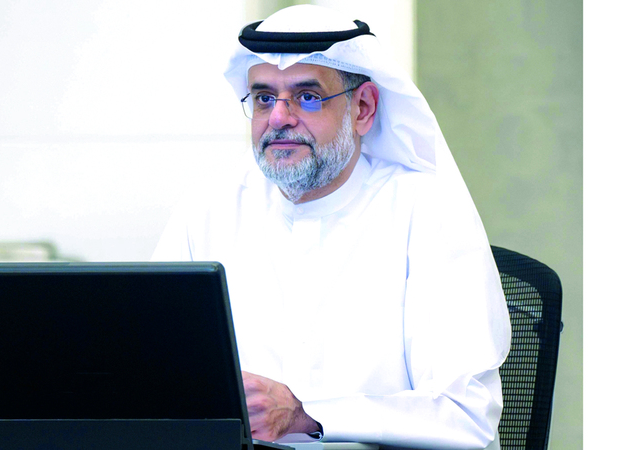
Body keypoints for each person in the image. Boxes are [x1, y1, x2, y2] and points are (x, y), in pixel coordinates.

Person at [152, 5, 511, 449]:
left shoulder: (427, 212)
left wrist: (306, 416)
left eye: (307, 96)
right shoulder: (209, 209)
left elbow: (465, 417)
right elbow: (153, 373)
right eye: (264, 98)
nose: (278, 117)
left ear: (363, 108)